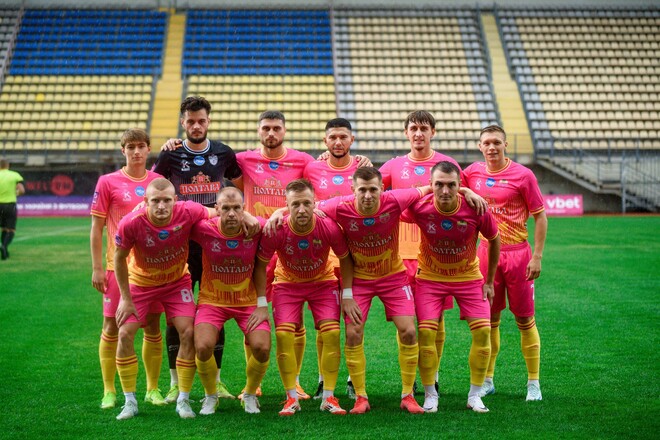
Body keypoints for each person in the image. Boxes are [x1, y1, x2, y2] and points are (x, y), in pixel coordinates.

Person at [379, 110, 486, 394]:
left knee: (435, 319)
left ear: (432, 132)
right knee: (406, 321)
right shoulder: (393, 165)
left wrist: (469, 192)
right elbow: (372, 190)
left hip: (437, 257)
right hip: (400, 255)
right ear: (406, 133)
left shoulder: (447, 164)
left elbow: (463, 196)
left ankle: (433, 374)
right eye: (413, 128)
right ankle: (411, 378)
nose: (418, 133)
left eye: (424, 128)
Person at [316, 167, 430, 414]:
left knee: (410, 331)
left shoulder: (395, 199)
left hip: (393, 277)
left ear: (382, 189)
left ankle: (408, 395)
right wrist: (278, 214)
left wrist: (466, 192)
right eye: (362, 190)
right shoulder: (339, 206)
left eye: (373, 190)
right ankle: (360, 397)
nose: (367, 195)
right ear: (353, 190)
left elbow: (431, 188)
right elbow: (306, 208)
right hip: (360, 280)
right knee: (353, 333)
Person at [154, 96, 242, 402]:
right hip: (179, 245)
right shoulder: (170, 155)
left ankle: (215, 381)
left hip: (215, 245)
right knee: (175, 315)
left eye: (201, 120)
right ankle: (175, 382)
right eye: (190, 121)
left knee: (214, 310)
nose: (196, 126)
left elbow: (241, 185)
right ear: (182, 123)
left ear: (208, 121)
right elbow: (155, 191)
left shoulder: (223, 153)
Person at [401, 161, 500, 413]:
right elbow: (390, 204)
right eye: (439, 185)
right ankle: (430, 394)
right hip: (430, 278)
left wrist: (489, 281)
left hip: (468, 277)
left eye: (451, 185)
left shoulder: (476, 208)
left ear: (459, 185)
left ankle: (475, 395)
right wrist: (426, 191)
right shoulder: (420, 206)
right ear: (430, 185)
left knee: (483, 332)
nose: (445, 191)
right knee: (426, 334)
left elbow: (494, 239)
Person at [113, 178, 213, 420]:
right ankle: (129, 402)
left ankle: (183, 400)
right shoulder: (131, 222)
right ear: (145, 201)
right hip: (141, 283)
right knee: (124, 333)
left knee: (188, 332)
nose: (161, 206)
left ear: (175, 201)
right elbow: (119, 258)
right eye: (155, 201)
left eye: (166, 200)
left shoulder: (187, 210)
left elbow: (216, 211)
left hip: (176, 283)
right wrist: (125, 298)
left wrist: (249, 217)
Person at [255, 179, 353, 416]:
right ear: (286, 205)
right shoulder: (277, 228)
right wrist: (260, 303)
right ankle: (291, 397)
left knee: (332, 333)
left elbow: (345, 258)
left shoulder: (328, 226)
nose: (301, 210)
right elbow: (260, 265)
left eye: (306, 203)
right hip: (287, 284)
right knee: (283, 335)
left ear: (314, 202)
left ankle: (329, 397)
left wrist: (348, 294)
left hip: (323, 282)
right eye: (295, 204)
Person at [463, 124, 548, 401]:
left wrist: (537, 256)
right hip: (485, 254)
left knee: (524, 319)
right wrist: (465, 191)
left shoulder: (523, 175)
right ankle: (488, 380)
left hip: (518, 255)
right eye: (486, 143)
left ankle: (533, 383)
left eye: (496, 142)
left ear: (505, 145)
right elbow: (447, 180)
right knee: (489, 320)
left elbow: (540, 216)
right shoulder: (472, 173)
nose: (491, 147)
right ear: (479, 146)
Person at [90, 128, 166, 410]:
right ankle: (109, 390)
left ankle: (152, 388)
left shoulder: (159, 182)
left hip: (151, 268)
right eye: (130, 147)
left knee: (152, 325)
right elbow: (96, 227)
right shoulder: (108, 182)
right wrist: (97, 268)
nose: (136, 151)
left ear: (148, 149)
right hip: (116, 266)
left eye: (141, 146)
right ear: (123, 150)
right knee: (112, 326)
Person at [189, 187, 271, 415]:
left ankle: (250, 394)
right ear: (217, 209)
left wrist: (262, 304)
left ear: (244, 209)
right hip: (212, 300)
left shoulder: (255, 228)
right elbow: (178, 217)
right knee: (203, 346)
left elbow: (281, 221)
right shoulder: (204, 229)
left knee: (262, 348)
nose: (232, 214)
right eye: (226, 208)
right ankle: (210, 396)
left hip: (247, 301)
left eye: (237, 208)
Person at [303, 117, 363, 399]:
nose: (338, 142)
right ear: (324, 141)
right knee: (324, 323)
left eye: (343, 137)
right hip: (322, 256)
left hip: (354, 256)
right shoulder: (312, 168)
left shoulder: (364, 168)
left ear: (352, 140)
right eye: (333, 137)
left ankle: (352, 379)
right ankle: (322, 380)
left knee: (353, 321)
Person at [0, 158, 25, 260]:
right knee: (10, 229)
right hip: (10, 205)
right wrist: (15, 194)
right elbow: (21, 190)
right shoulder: (14, 175)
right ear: (8, 165)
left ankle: (4, 250)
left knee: (3, 228)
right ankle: (4, 246)